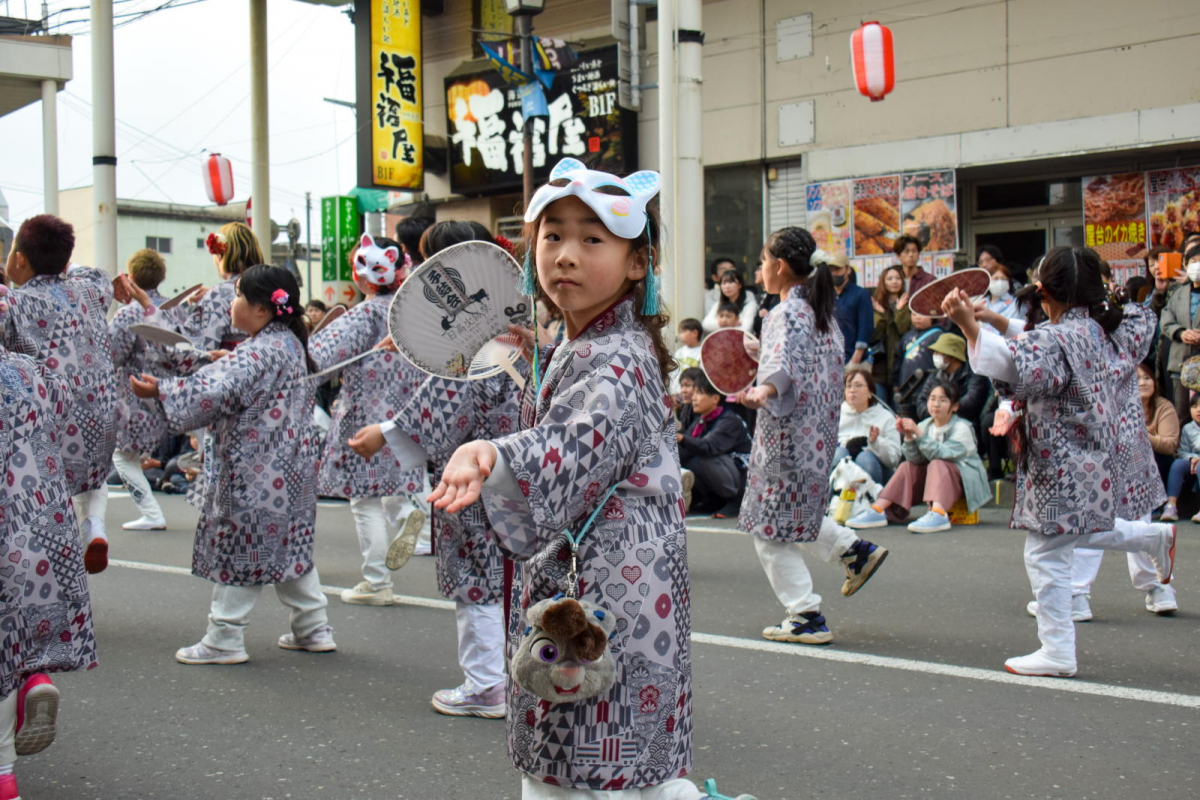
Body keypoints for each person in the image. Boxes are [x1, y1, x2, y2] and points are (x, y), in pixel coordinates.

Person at [424, 157, 749, 798]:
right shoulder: (590, 342)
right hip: (623, 577)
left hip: (610, 582)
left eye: (592, 238)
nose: (566, 254)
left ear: (636, 264)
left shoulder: (614, 356)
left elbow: (577, 440)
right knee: (622, 759)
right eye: (553, 235)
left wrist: (495, 453)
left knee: (581, 755)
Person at [946, 245, 1175, 677]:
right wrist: (984, 324)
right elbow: (1035, 347)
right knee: (1078, 532)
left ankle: (1058, 650)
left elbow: (1014, 363)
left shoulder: (1058, 338)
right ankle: (1152, 538)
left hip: (1061, 461)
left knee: (1046, 552)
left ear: (1043, 290)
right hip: (1095, 456)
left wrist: (968, 326)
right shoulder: (1102, 329)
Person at [347, 221, 520, 720]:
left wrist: (387, 431)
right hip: (524, 466)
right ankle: (523, 673)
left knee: (479, 577)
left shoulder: (476, 339)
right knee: (518, 575)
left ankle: (487, 685)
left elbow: (451, 398)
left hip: (477, 472)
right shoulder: (516, 316)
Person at [130, 265, 334, 665]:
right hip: (289, 469)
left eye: (238, 295)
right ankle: (313, 627)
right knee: (289, 547)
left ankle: (224, 639)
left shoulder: (261, 350)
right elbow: (228, 378)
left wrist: (162, 390)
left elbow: (212, 393)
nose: (232, 302)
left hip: (254, 471)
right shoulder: (288, 344)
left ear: (261, 309)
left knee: (244, 550)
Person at [738, 226, 889, 647]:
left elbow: (784, 365)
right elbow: (801, 363)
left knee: (769, 528)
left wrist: (762, 389)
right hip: (817, 437)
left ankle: (804, 614)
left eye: (764, 261)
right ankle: (853, 550)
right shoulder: (821, 313)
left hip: (785, 438)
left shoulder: (785, 313)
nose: (759, 269)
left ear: (781, 266)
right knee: (792, 514)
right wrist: (761, 358)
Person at [0, 288, 98, 800]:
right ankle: (34, 676)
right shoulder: (36, 375)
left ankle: (2, 774)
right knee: (14, 634)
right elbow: (75, 435)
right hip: (42, 527)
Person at [309, 234, 428, 606]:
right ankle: (410, 512)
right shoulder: (416, 313)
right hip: (408, 413)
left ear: (362, 278)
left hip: (364, 415)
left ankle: (377, 582)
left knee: (364, 501)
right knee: (394, 489)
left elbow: (319, 356)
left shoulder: (367, 313)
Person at [3, 215, 117, 575]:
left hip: (52, 436)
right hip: (101, 430)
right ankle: (94, 526)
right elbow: (95, 274)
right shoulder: (90, 288)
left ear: (19, 259)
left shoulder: (16, 306)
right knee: (90, 480)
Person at [848, 379, 989, 533]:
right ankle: (878, 510)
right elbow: (916, 460)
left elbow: (941, 454)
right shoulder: (925, 425)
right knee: (907, 466)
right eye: (932, 399)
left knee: (938, 463)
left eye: (943, 400)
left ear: (954, 406)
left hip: (964, 485)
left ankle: (938, 513)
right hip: (935, 481)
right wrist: (908, 436)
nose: (936, 404)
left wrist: (919, 434)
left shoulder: (962, 428)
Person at [108, 248, 173, 531]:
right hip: (173, 394)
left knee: (122, 456)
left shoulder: (129, 314)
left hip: (134, 397)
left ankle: (151, 512)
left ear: (130, 277)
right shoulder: (173, 307)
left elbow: (111, 354)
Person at [678, 371, 751, 517]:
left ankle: (736, 502)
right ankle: (712, 500)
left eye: (699, 393)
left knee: (704, 458)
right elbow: (685, 448)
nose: (694, 398)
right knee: (684, 456)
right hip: (728, 470)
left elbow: (708, 446)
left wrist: (680, 438)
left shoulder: (729, 420)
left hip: (744, 477)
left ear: (715, 399)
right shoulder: (701, 420)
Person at [835, 366, 901, 485]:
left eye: (858, 385)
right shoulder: (836, 416)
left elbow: (894, 459)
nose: (852, 390)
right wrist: (847, 444)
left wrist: (875, 442)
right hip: (844, 467)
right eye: (849, 386)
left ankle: (872, 500)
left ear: (870, 392)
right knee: (839, 454)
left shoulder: (885, 417)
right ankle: (832, 500)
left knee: (865, 458)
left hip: (877, 469)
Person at [1156, 243, 1200, 421]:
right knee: (1181, 412)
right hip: (1180, 362)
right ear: (1185, 264)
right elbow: (1165, 319)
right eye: (1194, 261)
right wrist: (1180, 333)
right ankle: (1182, 447)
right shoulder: (1178, 293)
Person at [914, 333, 990, 427]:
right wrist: (936, 413)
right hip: (934, 425)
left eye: (939, 353)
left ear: (952, 357)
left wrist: (946, 411)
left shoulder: (974, 375)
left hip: (965, 425)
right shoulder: (934, 376)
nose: (935, 355)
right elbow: (921, 402)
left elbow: (972, 401)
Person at [869, 264, 911, 403]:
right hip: (879, 367)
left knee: (898, 409)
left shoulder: (908, 303)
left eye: (898, 278)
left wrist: (900, 311)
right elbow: (874, 335)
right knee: (881, 408)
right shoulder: (876, 304)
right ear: (883, 282)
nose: (894, 282)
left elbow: (904, 331)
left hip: (900, 365)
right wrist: (881, 314)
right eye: (890, 278)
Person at [1137, 361, 1180, 492]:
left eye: (1147, 378)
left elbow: (1169, 446)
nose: (1143, 383)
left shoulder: (1164, 406)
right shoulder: (1120, 408)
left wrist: (1143, 435)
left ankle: (1155, 505)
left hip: (1160, 461)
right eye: (1137, 379)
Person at [892, 310, 943, 417]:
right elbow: (897, 360)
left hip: (927, 387)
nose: (917, 318)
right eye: (914, 314)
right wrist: (896, 382)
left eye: (921, 314)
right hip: (906, 388)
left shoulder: (938, 335)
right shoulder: (906, 336)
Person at [828, 253, 874, 365]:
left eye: (838, 269)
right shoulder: (825, 295)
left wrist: (855, 360)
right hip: (830, 359)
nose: (834, 273)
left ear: (848, 270)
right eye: (831, 270)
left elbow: (865, 328)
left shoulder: (860, 294)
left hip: (852, 359)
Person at [1162, 393, 1200, 523]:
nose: (1198, 410)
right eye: (1194, 406)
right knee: (1178, 463)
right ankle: (1171, 506)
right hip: (1192, 466)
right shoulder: (1188, 428)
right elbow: (1182, 451)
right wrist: (1193, 458)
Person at [981, 261, 1024, 335]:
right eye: (996, 279)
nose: (1000, 282)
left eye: (1003, 279)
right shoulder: (981, 303)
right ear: (989, 282)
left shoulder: (1016, 303)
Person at [671, 317, 703, 396]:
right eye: (680, 332)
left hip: (694, 394)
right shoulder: (679, 352)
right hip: (678, 393)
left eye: (683, 332)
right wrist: (673, 393)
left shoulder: (702, 352)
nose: (680, 335)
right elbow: (674, 374)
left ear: (695, 333)